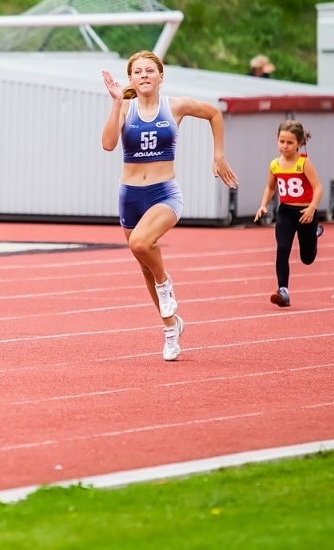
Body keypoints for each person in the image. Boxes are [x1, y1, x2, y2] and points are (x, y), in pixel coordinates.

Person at [101, 51, 237, 360]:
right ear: (131, 80)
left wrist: (218, 154)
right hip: (131, 196)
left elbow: (214, 114)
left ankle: (166, 285)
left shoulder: (175, 106)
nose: (145, 75)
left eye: (150, 70)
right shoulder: (126, 108)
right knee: (144, 262)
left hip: (164, 193)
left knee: (140, 243)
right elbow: (108, 144)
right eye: (138, 72)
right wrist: (115, 102)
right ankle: (171, 329)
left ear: (161, 76)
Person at [253, 120, 325, 307]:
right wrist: (263, 205)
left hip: (305, 213)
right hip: (285, 212)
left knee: (307, 258)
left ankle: (314, 232)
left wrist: (311, 208)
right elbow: (270, 187)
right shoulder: (275, 165)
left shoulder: (303, 163)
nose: (285, 146)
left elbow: (318, 188)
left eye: (289, 142)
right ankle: (283, 291)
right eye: (282, 141)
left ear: (299, 144)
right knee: (282, 248)